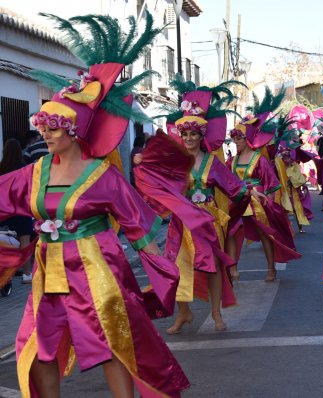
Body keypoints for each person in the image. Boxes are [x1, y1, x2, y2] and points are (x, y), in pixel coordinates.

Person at [0, 13, 189, 396]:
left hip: (97, 267)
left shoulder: (103, 176)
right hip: (47, 272)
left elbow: (137, 225)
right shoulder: (33, 173)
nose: (46, 133)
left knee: (114, 344)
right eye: (43, 127)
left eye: (54, 128)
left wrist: (162, 270)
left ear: (72, 132)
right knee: (39, 350)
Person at [133, 80, 263, 334]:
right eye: (185, 134)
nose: (189, 138)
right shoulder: (175, 161)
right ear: (180, 136)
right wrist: (141, 160)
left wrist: (252, 189)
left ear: (201, 136)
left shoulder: (213, 164)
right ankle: (184, 313)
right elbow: (154, 174)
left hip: (207, 223)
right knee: (178, 268)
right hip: (181, 224)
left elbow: (233, 186)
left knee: (212, 267)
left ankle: (216, 313)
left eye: (194, 134)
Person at [228, 87, 302, 282]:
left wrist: (268, 203)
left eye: (240, 138)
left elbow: (271, 183)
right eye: (234, 138)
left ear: (248, 138)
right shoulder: (232, 161)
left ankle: (271, 268)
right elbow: (227, 180)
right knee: (233, 231)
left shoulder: (259, 160)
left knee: (264, 234)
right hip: (238, 201)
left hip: (257, 202)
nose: (236, 142)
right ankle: (233, 268)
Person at [0, 139, 33, 283]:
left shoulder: (1, 168)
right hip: (21, 209)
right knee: (24, 240)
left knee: (3, 242)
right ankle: (26, 274)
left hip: (4, 209)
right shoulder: (24, 168)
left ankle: (6, 272)